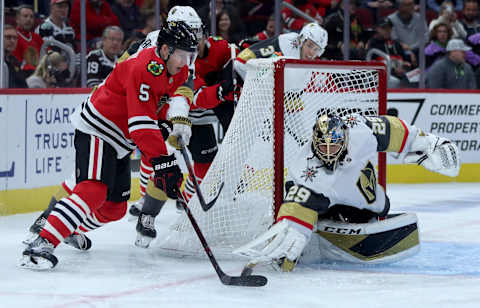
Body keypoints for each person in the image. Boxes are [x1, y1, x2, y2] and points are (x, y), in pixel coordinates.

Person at [20, 20, 199, 270]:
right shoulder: (145, 68)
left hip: (120, 140)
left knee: (114, 209)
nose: (185, 61)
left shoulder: (177, 71)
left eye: (188, 55)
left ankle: (64, 227)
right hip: (99, 128)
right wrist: (165, 162)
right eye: (181, 54)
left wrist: (167, 126)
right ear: (166, 49)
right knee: (93, 189)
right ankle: (42, 242)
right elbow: (141, 126)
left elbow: (155, 113)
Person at [234, 112, 460, 272]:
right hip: (334, 205)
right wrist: (294, 229)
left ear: (345, 138)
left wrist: (428, 141)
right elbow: (298, 199)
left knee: (379, 205)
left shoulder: (360, 130)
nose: (329, 152)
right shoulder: (306, 172)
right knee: (306, 216)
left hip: (369, 201)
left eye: (335, 145)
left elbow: (392, 129)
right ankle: (319, 226)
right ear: (315, 142)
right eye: (324, 147)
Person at [234, 22, 329, 81]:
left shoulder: (309, 67)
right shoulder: (285, 44)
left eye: (316, 49)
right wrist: (253, 85)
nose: (311, 53)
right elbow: (240, 62)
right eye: (309, 45)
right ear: (301, 40)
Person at [13, 5, 44, 73]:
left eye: (31, 17)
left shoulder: (37, 37)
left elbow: (48, 55)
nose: (28, 19)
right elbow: (16, 65)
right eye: (25, 16)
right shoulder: (13, 37)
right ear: (17, 19)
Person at [3, 24, 28, 88]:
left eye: (15, 38)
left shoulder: (15, 62)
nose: (12, 41)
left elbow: (24, 87)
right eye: (8, 37)